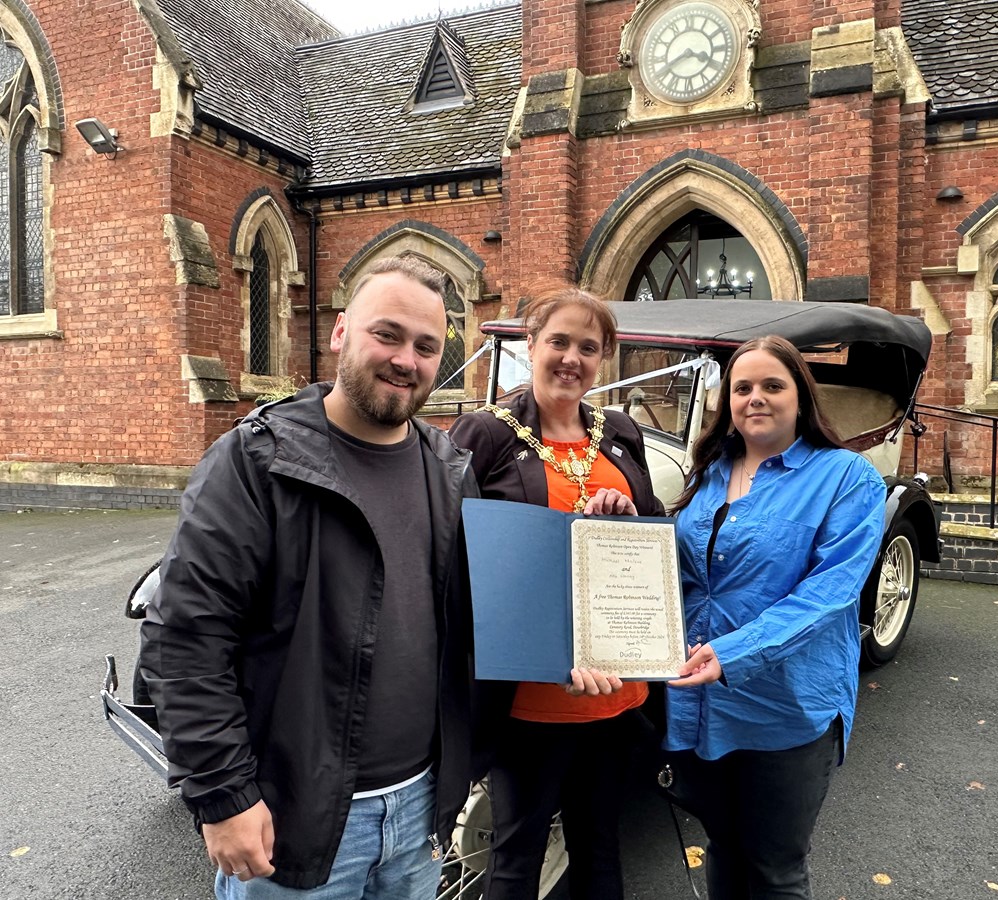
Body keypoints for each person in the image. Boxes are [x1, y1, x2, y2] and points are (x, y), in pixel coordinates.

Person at [140, 254, 478, 899]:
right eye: (388, 334)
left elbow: (481, 618)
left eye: (427, 346)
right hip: (295, 811)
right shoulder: (256, 460)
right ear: (341, 331)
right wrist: (223, 794)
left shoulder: (450, 470)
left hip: (422, 809)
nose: (407, 359)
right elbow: (186, 638)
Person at [449, 284, 665, 900]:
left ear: (605, 358)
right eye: (559, 342)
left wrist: (624, 510)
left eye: (589, 347)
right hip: (529, 701)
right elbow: (457, 552)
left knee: (599, 847)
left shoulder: (620, 431)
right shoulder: (485, 433)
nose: (572, 358)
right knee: (517, 854)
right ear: (530, 345)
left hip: (616, 691)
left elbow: (648, 532)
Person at [666, 335, 886, 900]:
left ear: (800, 397)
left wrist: (735, 652)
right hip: (701, 701)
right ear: (727, 401)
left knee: (774, 868)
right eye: (742, 388)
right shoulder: (712, 473)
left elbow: (831, 592)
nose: (755, 398)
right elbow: (679, 574)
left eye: (772, 385)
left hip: (787, 708)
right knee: (724, 847)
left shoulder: (846, 477)